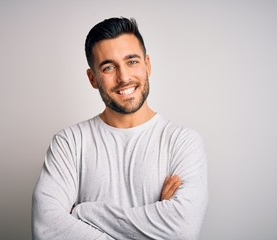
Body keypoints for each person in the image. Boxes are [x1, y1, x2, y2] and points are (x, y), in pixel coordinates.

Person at [32, 17, 208, 240]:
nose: (123, 77)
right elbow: (46, 231)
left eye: (132, 61)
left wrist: (82, 212)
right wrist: (155, 227)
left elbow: (183, 230)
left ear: (147, 65)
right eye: (108, 67)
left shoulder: (183, 142)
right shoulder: (69, 143)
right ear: (92, 78)